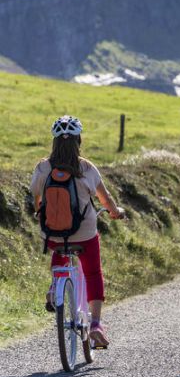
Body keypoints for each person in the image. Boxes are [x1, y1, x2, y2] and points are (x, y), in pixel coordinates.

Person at [31, 115, 125, 347]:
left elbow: (36, 198)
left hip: (52, 232)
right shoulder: (86, 168)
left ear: (54, 142)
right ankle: (95, 324)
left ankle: (55, 287)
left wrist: (41, 212)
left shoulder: (43, 167)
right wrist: (115, 212)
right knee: (93, 272)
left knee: (59, 246)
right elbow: (106, 199)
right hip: (84, 233)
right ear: (78, 140)